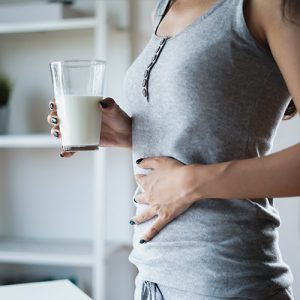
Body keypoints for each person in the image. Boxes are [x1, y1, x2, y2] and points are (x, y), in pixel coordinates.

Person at [47, 0, 300, 299]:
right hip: (150, 281)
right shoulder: (163, 8)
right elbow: (207, 136)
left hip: (226, 283)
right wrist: (130, 134)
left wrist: (191, 181)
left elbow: (191, 173)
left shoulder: (267, 5)